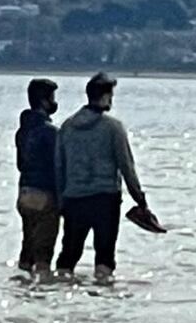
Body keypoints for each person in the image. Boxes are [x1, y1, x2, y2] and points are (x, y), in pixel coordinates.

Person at [55, 73, 149, 281]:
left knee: (68, 256)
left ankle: (58, 298)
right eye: (111, 95)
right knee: (105, 258)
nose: (112, 100)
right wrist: (139, 199)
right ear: (105, 96)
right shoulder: (113, 127)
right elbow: (126, 166)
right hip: (105, 199)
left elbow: (59, 167)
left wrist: (61, 202)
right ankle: (104, 301)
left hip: (74, 199)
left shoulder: (67, 127)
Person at [15, 78, 61, 277]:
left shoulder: (22, 131)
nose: (54, 103)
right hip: (45, 195)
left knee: (27, 247)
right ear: (44, 101)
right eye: (52, 98)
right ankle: (41, 296)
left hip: (24, 193)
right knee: (43, 255)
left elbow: (20, 164)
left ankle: (22, 287)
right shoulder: (51, 133)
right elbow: (58, 167)